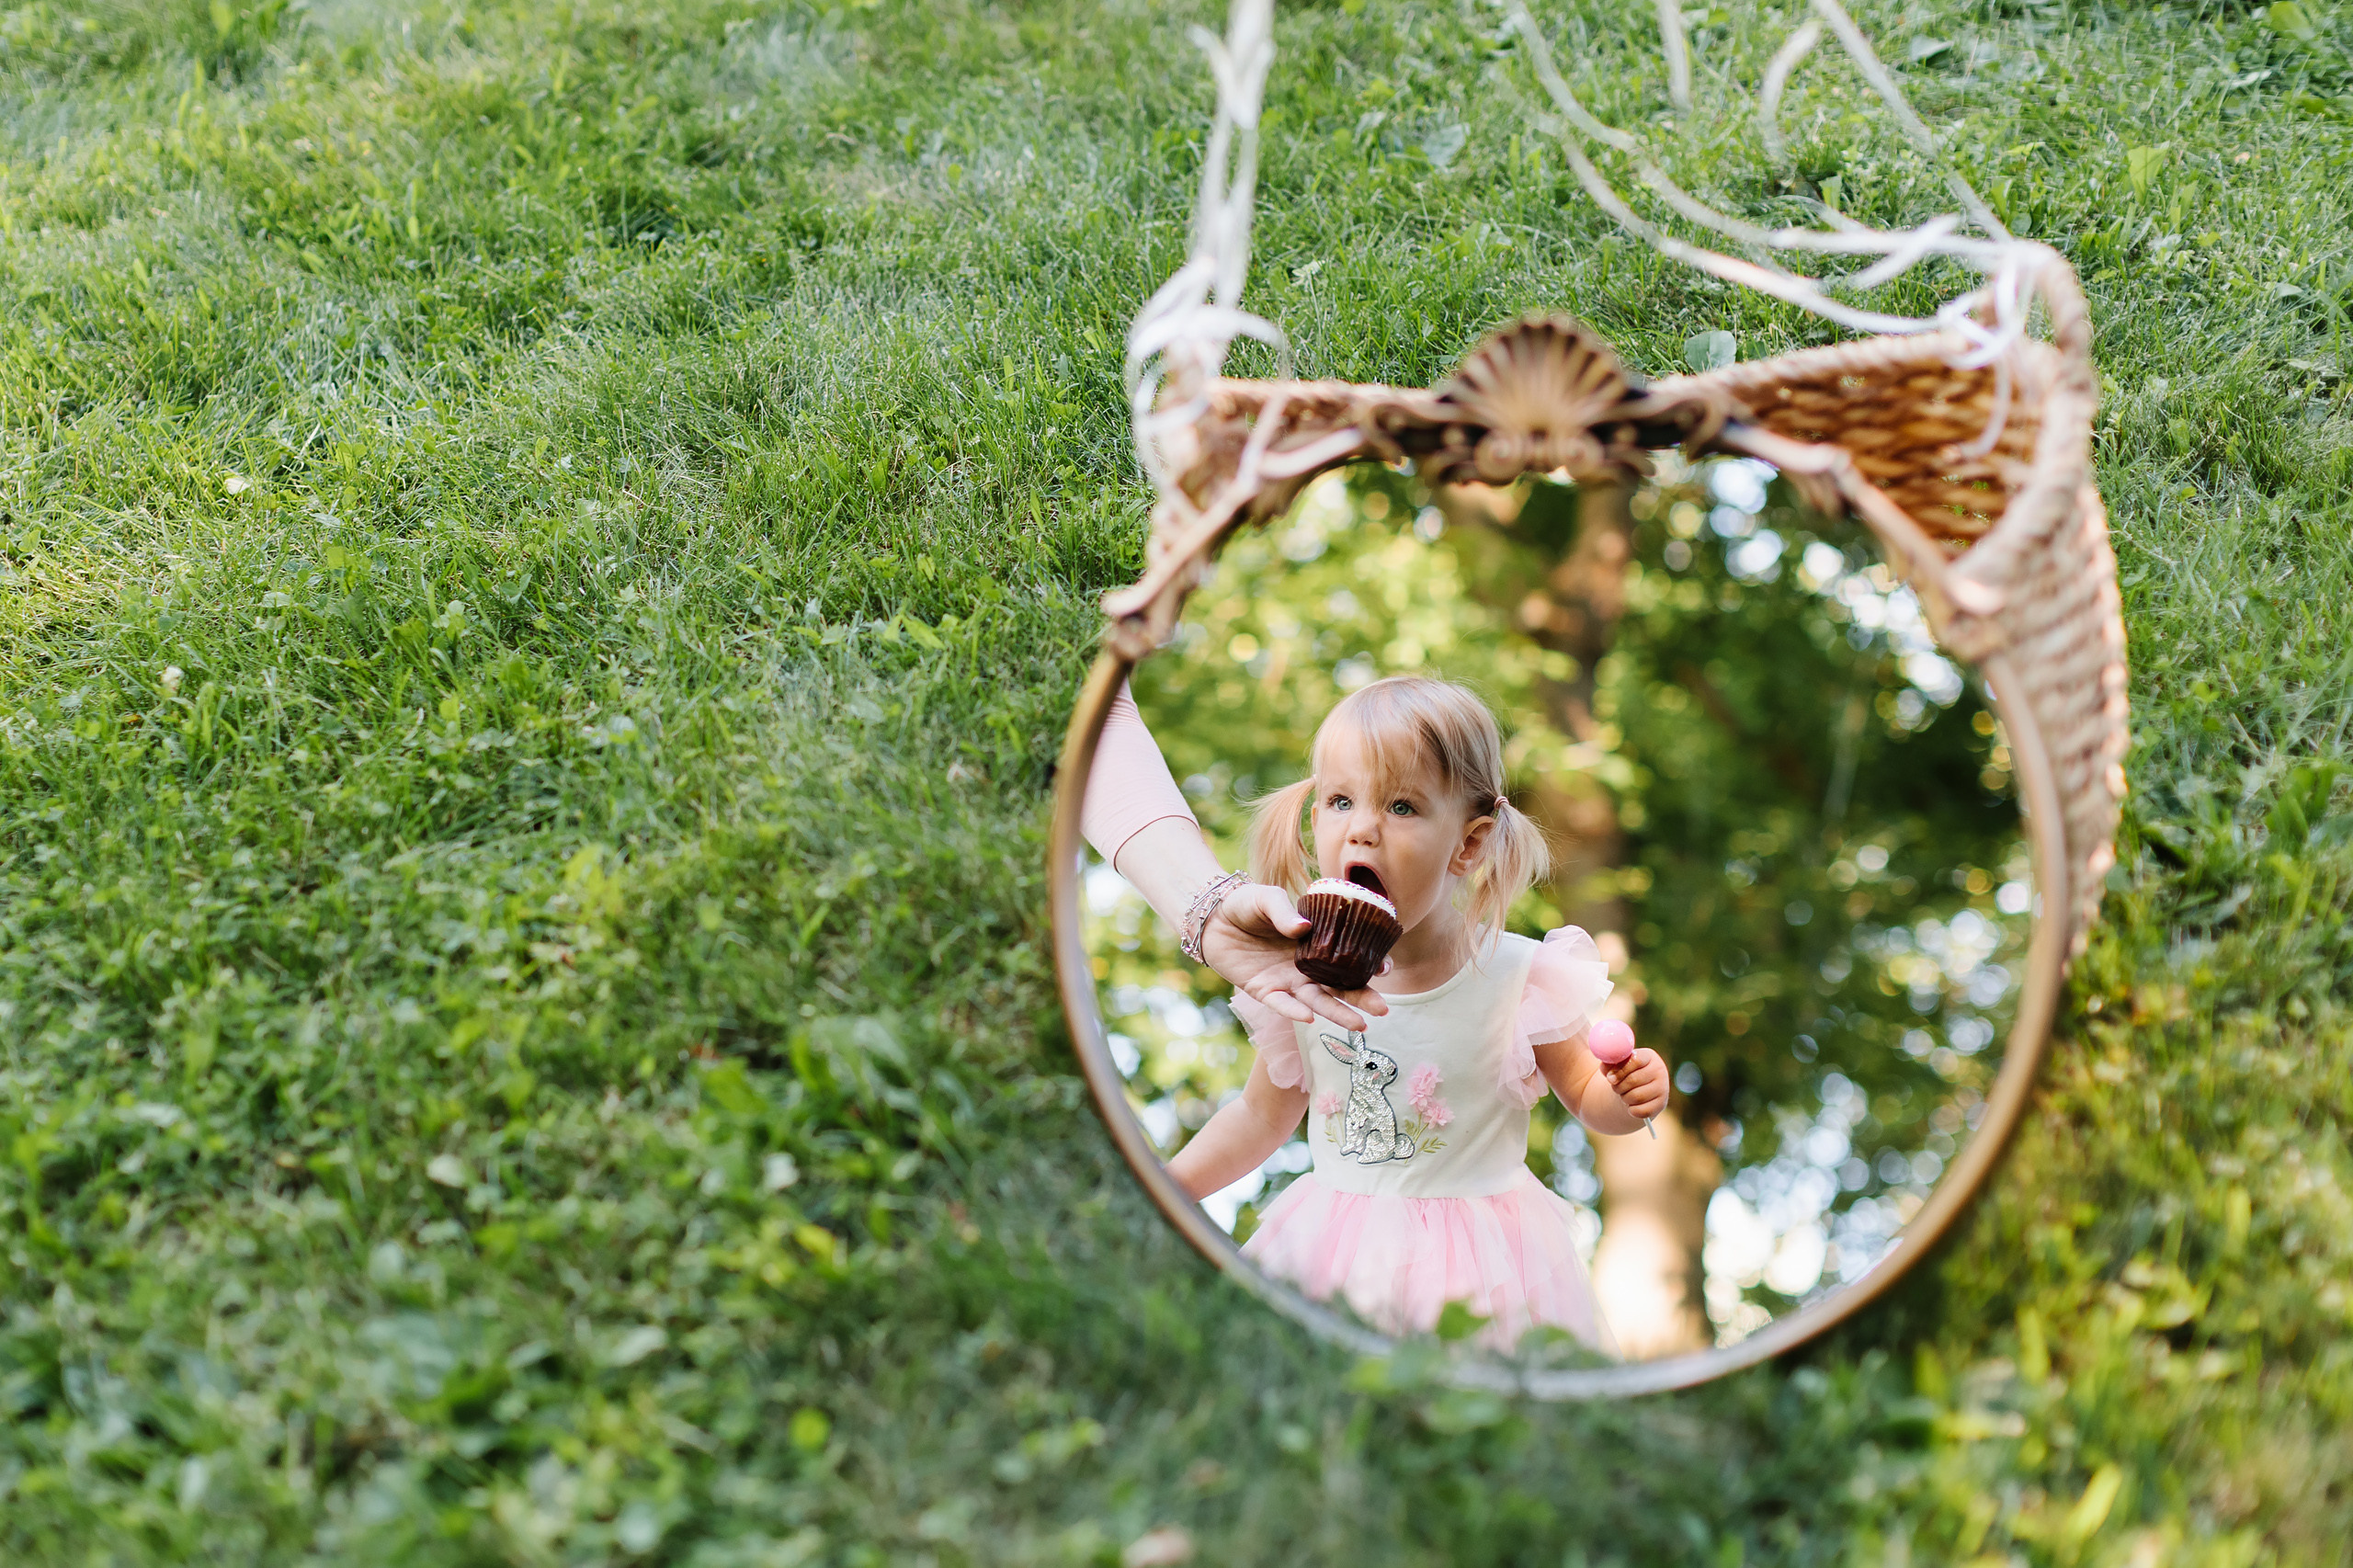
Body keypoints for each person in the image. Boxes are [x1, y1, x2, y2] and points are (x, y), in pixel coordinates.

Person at [1082, 675, 1668, 1353]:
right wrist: (1167, 1188)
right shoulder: (1302, 980)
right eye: (1340, 801)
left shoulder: (1517, 977)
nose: (1362, 828)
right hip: (1335, 1251)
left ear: (1469, 844)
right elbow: (1260, 1118)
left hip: (1485, 1268)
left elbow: (1589, 1095)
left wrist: (1628, 1095)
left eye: (1402, 806)